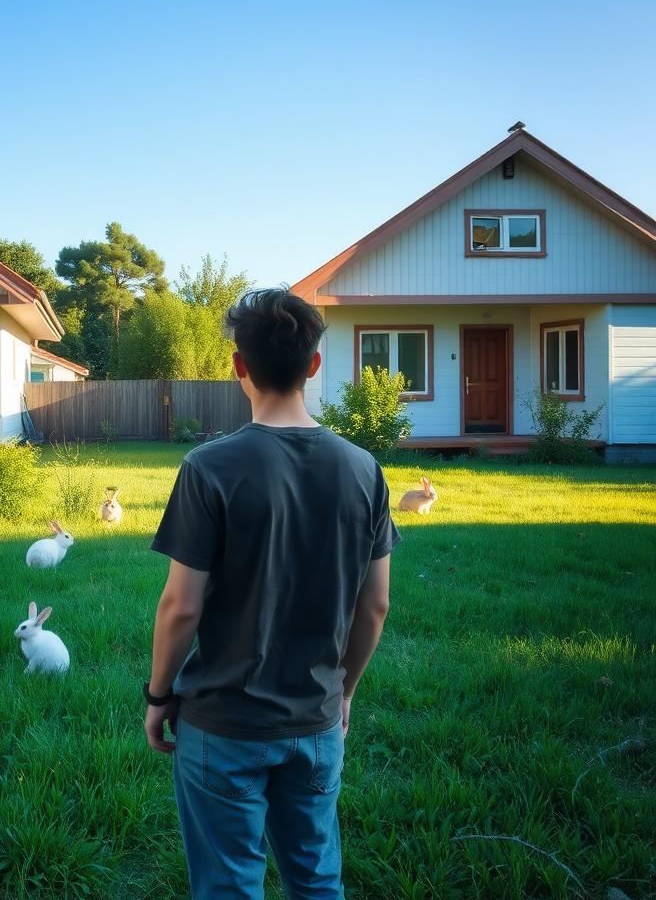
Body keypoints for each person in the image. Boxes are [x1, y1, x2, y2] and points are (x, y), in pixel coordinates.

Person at [144, 287, 397, 900]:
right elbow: (375, 604)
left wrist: (157, 695)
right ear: (313, 365)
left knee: (229, 884)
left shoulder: (209, 467)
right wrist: (345, 693)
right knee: (316, 879)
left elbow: (181, 605)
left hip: (222, 726)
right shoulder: (363, 469)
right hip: (315, 720)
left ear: (239, 367)